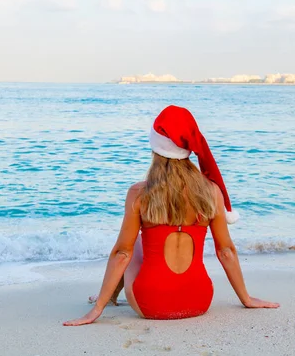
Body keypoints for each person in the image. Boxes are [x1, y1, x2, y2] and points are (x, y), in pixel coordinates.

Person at [64, 106, 279, 326]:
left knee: (132, 244)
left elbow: (121, 254)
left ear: (156, 146)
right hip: (199, 301)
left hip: (151, 304)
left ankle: (107, 298)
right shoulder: (212, 191)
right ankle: (109, 296)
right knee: (135, 245)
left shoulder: (139, 193)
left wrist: (96, 310)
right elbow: (226, 251)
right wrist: (246, 298)